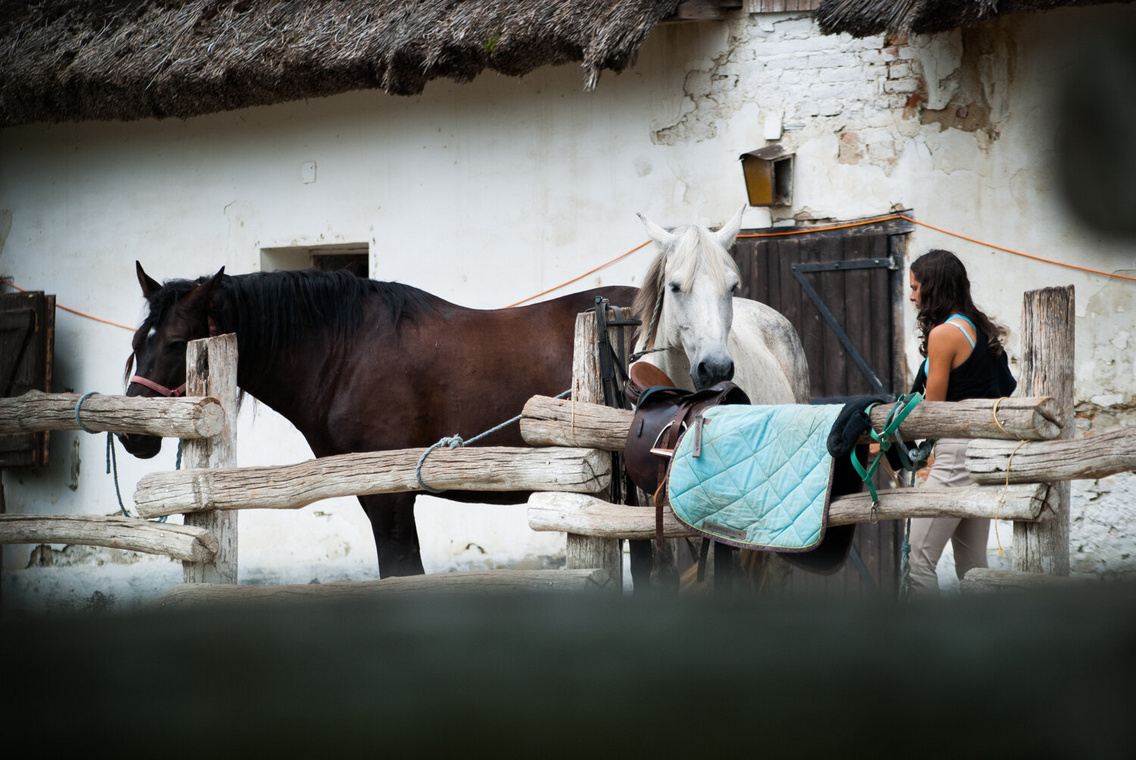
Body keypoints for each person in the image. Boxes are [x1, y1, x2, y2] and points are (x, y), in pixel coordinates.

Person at [907, 249, 1016, 597]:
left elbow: (933, 410)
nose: (912, 297)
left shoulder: (944, 334)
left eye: (915, 288)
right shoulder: (980, 329)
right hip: (983, 455)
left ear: (933, 288)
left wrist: (893, 440)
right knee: (972, 569)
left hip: (955, 454)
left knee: (918, 561)